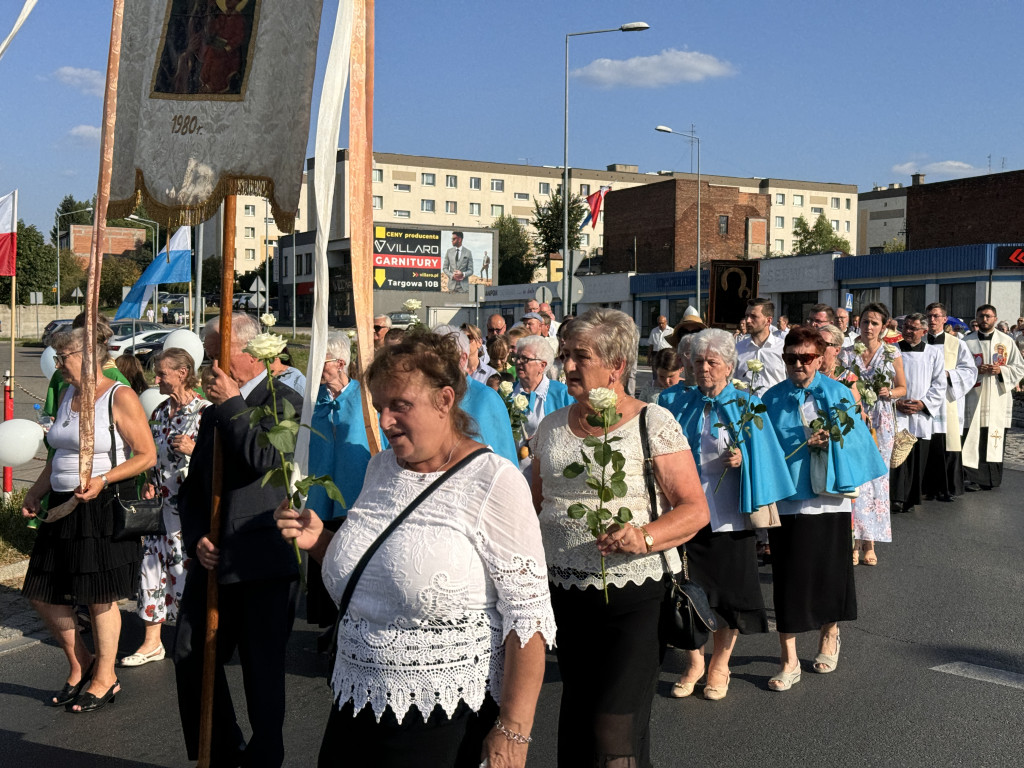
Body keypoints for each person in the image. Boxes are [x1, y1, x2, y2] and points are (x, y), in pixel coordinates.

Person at [275, 331, 555, 767]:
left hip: (442, 717)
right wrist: (319, 541)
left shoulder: (494, 482)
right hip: (354, 700)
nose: (384, 421)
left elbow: (529, 620)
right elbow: (373, 577)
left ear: (445, 400)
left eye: (399, 405)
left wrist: (513, 733)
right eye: (379, 406)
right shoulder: (380, 468)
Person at [531, 308, 709, 767]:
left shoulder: (653, 422)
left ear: (617, 366)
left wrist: (643, 537)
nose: (567, 366)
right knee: (576, 720)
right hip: (565, 597)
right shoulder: (550, 428)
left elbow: (694, 510)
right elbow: (532, 507)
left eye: (580, 357)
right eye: (565, 355)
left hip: (635, 599)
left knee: (614, 728)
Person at [174, 313, 304, 766]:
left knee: (261, 670)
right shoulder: (211, 414)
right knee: (190, 653)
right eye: (207, 355)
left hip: (263, 559)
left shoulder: (283, 400)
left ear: (247, 354)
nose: (208, 365)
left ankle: (265, 757)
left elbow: (265, 460)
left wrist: (233, 405)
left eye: (215, 354)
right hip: (214, 558)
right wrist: (196, 540)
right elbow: (193, 489)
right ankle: (224, 750)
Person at [21, 327, 157, 711]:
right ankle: (80, 661)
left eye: (63, 356)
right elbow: (57, 454)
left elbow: (145, 455)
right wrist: (36, 491)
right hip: (63, 503)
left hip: (102, 503)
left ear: (87, 355)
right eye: (57, 356)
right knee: (41, 590)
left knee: (98, 596)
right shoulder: (67, 394)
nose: (58, 364)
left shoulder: (120, 395)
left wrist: (103, 479)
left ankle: (106, 675)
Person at [662, 329, 796, 701]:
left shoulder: (747, 403)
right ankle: (694, 663)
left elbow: (768, 457)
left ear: (729, 367)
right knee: (685, 591)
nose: (703, 368)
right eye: (698, 361)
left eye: (712, 362)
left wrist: (743, 459)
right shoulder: (677, 401)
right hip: (685, 514)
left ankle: (720, 664)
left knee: (727, 595)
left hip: (729, 517)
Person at [761, 326, 886, 691]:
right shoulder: (770, 398)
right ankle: (788, 659)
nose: (798, 364)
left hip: (828, 498)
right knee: (788, 576)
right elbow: (763, 449)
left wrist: (834, 440)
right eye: (791, 358)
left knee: (830, 572)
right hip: (788, 497)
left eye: (806, 358)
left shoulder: (839, 393)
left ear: (820, 358)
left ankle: (830, 634)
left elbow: (861, 447)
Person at [122, 348, 209, 668]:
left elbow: (222, 464)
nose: (155, 378)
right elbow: (150, 454)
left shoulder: (205, 412)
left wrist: (194, 448)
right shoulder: (160, 411)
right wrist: (147, 478)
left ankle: (197, 639)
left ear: (183, 373)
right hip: (158, 507)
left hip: (189, 511)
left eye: (161, 373)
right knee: (150, 571)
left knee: (183, 573)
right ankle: (152, 642)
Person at [305, 333, 371, 638]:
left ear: (340, 363)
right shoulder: (315, 400)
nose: (314, 368)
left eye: (321, 362)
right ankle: (332, 624)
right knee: (324, 561)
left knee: (351, 561)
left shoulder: (365, 397)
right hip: (320, 496)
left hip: (354, 496)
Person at [840, 302, 906, 566]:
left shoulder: (892, 353)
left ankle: (871, 542)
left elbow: (902, 387)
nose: (868, 327)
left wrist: (889, 393)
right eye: (865, 321)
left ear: (883, 326)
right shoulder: (846, 353)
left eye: (875, 323)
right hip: (854, 418)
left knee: (877, 480)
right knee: (856, 479)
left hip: (881, 421)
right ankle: (853, 540)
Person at [432, 325, 518, 466]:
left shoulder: (486, 399)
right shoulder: (422, 397)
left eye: (442, 358)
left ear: (462, 358)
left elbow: (505, 461)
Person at [961, 304, 1024, 491]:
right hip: (974, 397)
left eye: (988, 316)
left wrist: (1001, 370)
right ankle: (973, 477)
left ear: (995, 318)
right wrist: (975, 370)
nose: (985, 319)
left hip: (998, 397)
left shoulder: (1006, 341)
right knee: (974, 437)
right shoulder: (967, 342)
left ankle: (992, 479)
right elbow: (959, 369)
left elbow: (1019, 367)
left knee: (995, 437)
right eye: (981, 316)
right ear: (977, 319)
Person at [891, 314, 945, 514]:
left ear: (924, 332)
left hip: (921, 413)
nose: (907, 331)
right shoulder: (892, 351)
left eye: (913, 328)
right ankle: (895, 497)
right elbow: (885, 380)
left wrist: (923, 403)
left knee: (916, 456)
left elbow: (939, 384)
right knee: (896, 455)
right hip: (898, 410)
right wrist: (895, 402)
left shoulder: (933, 353)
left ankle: (911, 498)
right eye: (905, 327)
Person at [923, 302, 978, 500]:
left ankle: (948, 489)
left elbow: (970, 371)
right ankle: (925, 488)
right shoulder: (920, 342)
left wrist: (948, 374)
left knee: (947, 442)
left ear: (945, 319)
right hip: (925, 399)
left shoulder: (957, 344)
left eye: (936, 316)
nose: (932, 320)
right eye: (929, 316)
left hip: (948, 400)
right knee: (927, 443)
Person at [510, 335, 572, 452]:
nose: (518, 362)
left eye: (525, 359)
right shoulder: (507, 393)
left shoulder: (561, 393)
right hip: (513, 465)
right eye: (517, 357)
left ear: (542, 366)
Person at [735, 298, 786, 391]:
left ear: (768, 321)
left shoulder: (782, 348)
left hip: (773, 404)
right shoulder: (738, 349)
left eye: (753, 316)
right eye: (747, 316)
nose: (748, 320)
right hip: (745, 404)